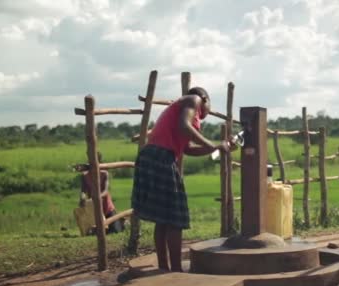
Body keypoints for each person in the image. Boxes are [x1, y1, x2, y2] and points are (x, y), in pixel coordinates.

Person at [131, 87, 232, 272]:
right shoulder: (193, 100)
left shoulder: (184, 111)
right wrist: (212, 144)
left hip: (151, 157)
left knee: (163, 218)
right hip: (161, 157)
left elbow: (188, 149)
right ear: (205, 99)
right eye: (209, 105)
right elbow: (183, 127)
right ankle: (176, 270)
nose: (206, 112)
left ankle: (164, 266)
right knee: (175, 218)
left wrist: (217, 148)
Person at [79, 152, 124, 234]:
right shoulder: (85, 175)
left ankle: (123, 222)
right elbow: (83, 190)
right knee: (95, 232)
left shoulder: (104, 174)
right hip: (93, 208)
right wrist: (82, 197)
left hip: (107, 208)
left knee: (115, 231)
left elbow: (105, 191)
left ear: (99, 161)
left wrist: (97, 197)